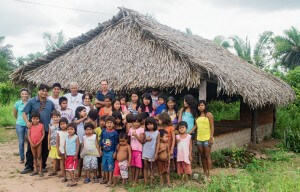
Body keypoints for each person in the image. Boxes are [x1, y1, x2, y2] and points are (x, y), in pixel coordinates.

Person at [21, 84, 55, 174]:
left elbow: (53, 114)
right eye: (42, 90)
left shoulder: (50, 103)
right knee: (30, 148)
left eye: (46, 91)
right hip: (33, 130)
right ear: (38, 91)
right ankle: (29, 166)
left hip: (46, 129)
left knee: (44, 148)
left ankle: (42, 166)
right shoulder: (31, 101)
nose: (44, 92)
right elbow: (24, 113)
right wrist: (27, 123)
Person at [190, 100, 214, 180]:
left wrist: (211, 137)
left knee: (207, 156)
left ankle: (209, 175)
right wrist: (189, 132)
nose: (200, 107)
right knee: (202, 156)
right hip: (199, 139)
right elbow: (195, 127)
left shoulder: (209, 115)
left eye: (202, 105)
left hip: (207, 138)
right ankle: (205, 173)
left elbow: (212, 127)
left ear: (205, 106)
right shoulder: (197, 116)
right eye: (199, 105)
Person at [100, 116, 118, 186]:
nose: (109, 124)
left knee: (110, 166)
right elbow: (101, 141)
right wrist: (100, 150)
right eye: (107, 122)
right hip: (104, 152)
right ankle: (106, 179)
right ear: (105, 123)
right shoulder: (103, 131)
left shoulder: (115, 133)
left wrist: (115, 152)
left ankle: (110, 180)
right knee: (104, 165)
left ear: (113, 124)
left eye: (111, 122)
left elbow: (116, 143)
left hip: (111, 152)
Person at [13, 88, 29, 164]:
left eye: (25, 94)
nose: (24, 95)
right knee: (21, 142)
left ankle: (29, 157)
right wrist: (19, 120)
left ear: (28, 95)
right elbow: (15, 113)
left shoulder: (30, 103)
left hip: (29, 124)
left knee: (30, 141)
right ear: (21, 95)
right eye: (23, 94)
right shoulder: (17, 103)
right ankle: (22, 158)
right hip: (20, 124)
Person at [128, 115, 145, 185]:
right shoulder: (130, 129)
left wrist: (136, 135)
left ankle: (136, 180)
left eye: (138, 122)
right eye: (134, 122)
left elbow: (142, 141)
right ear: (132, 123)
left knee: (138, 165)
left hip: (138, 150)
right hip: (132, 150)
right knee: (132, 165)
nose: (136, 123)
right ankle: (132, 179)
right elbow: (129, 140)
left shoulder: (141, 129)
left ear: (140, 123)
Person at [142, 117, 159, 186]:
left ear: (154, 124)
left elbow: (158, 143)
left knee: (152, 167)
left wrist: (156, 153)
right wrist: (146, 139)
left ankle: (152, 182)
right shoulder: (145, 132)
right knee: (145, 167)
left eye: (150, 124)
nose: (149, 126)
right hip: (145, 151)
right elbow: (142, 142)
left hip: (152, 152)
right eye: (147, 124)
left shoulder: (157, 132)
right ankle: (146, 182)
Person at [28, 111, 45, 177]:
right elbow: (28, 135)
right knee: (34, 157)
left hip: (39, 144)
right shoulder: (30, 126)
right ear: (31, 119)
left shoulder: (41, 125)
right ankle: (35, 170)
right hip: (32, 143)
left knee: (39, 156)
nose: (35, 120)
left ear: (39, 119)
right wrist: (31, 143)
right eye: (33, 118)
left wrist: (39, 142)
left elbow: (43, 134)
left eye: (37, 119)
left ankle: (40, 170)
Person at [64, 122, 80, 187]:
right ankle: (72, 179)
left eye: (71, 129)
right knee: (68, 169)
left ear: (75, 130)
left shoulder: (76, 137)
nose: (70, 130)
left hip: (73, 156)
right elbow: (65, 146)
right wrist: (65, 153)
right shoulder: (66, 137)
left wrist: (76, 155)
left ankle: (73, 181)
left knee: (70, 168)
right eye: (68, 129)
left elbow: (78, 146)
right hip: (67, 155)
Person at [74, 106, 87, 178]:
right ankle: (78, 172)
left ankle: (84, 172)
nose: (85, 112)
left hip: (85, 141)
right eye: (83, 111)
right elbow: (75, 123)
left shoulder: (86, 120)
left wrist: (85, 119)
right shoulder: (76, 119)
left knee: (83, 158)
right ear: (79, 112)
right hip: (78, 142)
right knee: (79, 158)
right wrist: (84, 118)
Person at [48, 110, 61, 176]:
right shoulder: (50, 125)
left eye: (57, 117)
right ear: (52, 118)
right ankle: (54, 170)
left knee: (60, 157)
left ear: (60, 117)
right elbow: (49, 134)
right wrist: (48, 144)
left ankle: (62, 171)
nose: (56, 118)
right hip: (52, 143)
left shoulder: (61, 125)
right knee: (54, 158)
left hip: (59, 144)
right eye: (54, 117)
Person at [56, 117, 69, 182]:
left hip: (69, 150)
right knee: (62, 164)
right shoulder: (59, 132)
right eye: (61, 124)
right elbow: (57, 142)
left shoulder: (69, 131)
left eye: (64, 123)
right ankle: (64, 177)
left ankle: (71, 176)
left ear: (67, 124)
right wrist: (57, 150)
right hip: (61, 150)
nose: (63, 125)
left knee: (69, 163)